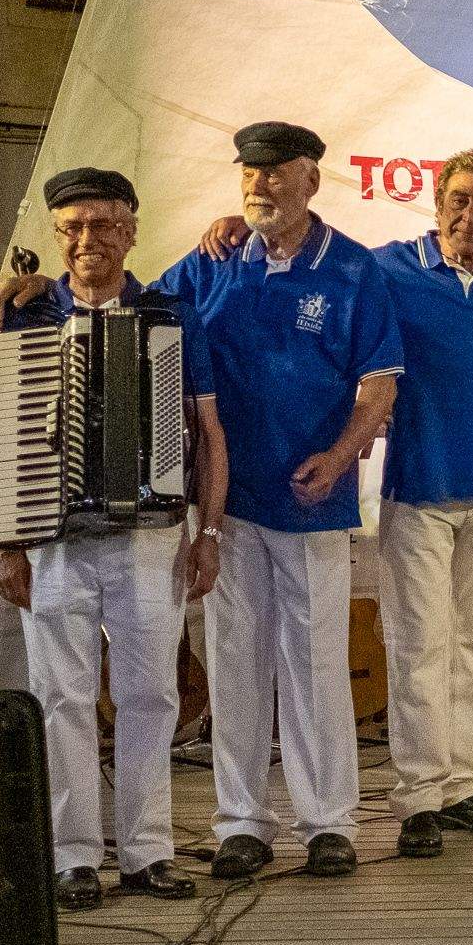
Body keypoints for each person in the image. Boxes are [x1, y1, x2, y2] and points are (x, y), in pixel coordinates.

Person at [0, 167, 226, 910]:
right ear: (57, 235)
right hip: (50, 538)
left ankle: (147, 851)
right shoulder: (21, 317)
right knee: (61, 697)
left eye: (105, 225)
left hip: (151, 537)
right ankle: (73, 855)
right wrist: (1, 541)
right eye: (74, 227)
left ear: (131, 230)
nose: (89, 240)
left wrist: (208, 530)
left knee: (151, 694)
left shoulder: (170, 315)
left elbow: (209, 432)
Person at [158, 122, 404, 878]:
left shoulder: (354, 270)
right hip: (227, 506)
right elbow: (132, 309)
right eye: (250, 173)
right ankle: (241, 822)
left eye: (275, 172)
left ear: (311, 181)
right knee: (234, 662)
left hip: (311, 502)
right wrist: (36, 293)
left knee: (316, 665)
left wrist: (340, 456)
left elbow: (380, 384)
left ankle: (328, 822)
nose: (260, 185)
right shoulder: (212, 261)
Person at [368, 151, 473, 853]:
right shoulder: (388, 267)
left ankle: (465, 786)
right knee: (419, 647)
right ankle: (418, 798)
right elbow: (324, 274)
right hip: (421, 490)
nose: (471, 214)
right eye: (459, 200)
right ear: (437, 203)